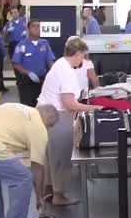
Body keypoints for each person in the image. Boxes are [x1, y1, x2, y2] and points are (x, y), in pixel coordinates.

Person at [37, 37, 102, 206]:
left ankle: (49, 189)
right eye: (83, 56)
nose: (84, 61)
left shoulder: (59, 64)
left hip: (45, 113)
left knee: (51, 156)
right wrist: (93, 108)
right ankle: (59, 196)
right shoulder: (67, 72)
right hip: (57, 116)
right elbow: (69, 103)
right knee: (61, 156)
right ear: (77, 53)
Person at [12, 19, 56, 107]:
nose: (37, 28)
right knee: (27, 107)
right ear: (28, 29)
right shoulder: (22, 45)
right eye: (33, 26)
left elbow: (50, 61)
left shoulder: (44, 44)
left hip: (41, 81)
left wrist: (53, 74)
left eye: (38, 26)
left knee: (41, 107)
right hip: (26, 81)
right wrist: (28, 73)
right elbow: (15, 64)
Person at [2, 7, 26, 78]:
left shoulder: (24, 21)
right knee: (15, 63)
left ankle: (23, 77)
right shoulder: (9, 24)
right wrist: (7, 31)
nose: (15, 14)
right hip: (13, 45)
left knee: (24, 62)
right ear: (11, 14)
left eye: (16, 12)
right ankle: (18, 77)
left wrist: (26, 32)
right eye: (13, 12)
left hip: (23, 44)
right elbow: (3, 36)